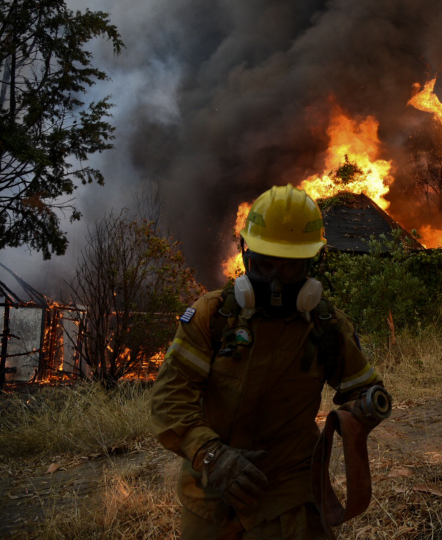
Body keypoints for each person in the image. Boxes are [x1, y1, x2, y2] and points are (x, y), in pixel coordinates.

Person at [151, 184, 389, 539]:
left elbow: (362, 388)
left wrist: (368, 405)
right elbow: (170, 400)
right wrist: (211, 454)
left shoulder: (327, 326)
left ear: (311, 263)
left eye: (291, 268)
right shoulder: (212, 316)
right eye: (266, 264)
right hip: (212, 499)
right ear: (246, 257)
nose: (277, 281)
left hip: (290, 501)